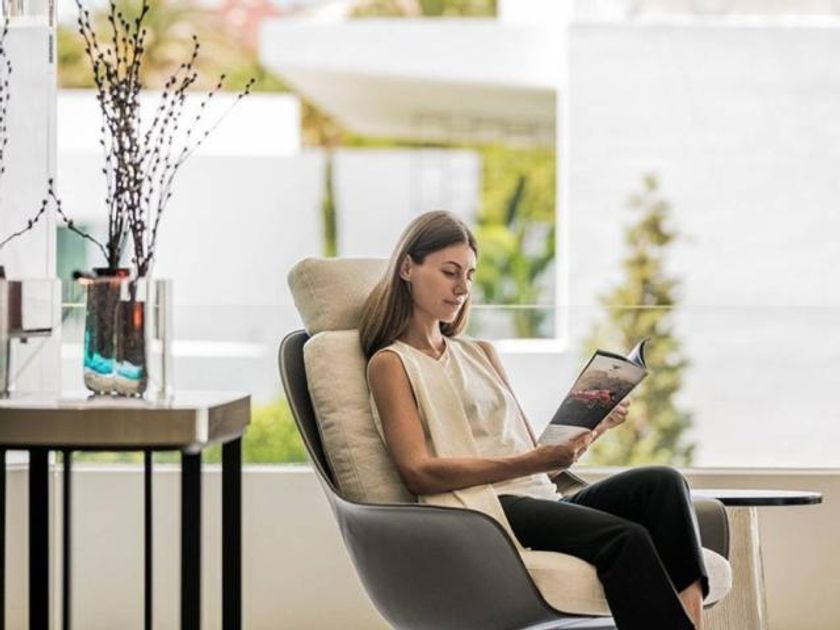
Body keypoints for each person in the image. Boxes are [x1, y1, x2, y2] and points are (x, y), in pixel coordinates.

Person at [360, 210, 709, 630]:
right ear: (407, 268)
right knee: (626, 538)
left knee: (664, 484)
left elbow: (534, 457)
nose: (462, 288)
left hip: (539, 495)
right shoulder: (392, 363)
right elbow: (417, 473)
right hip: (487, 509)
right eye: (449, 272)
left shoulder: (480, 353)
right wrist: (534, 461)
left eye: (469, 275)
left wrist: (594, 427)